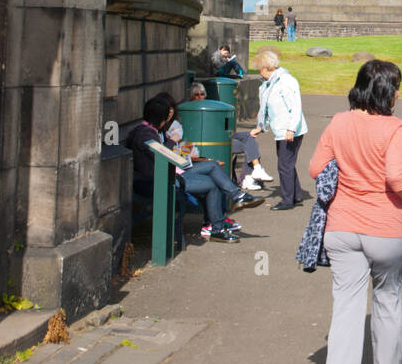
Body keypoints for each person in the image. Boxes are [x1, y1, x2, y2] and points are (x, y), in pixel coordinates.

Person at [308, 60, 402, 364]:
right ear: (385, 92)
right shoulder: (397, 128)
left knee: (346, 306)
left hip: (342, 229)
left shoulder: (338, 121)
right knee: (387, 300)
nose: (398, 94)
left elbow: (316, 168)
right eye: (396, 87)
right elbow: (396, 176)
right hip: (386, 229)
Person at [128, 93, 262, 244]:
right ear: (160, 118)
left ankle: (237, 195)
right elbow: (162, 156)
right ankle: (217, 228)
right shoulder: (145, 134)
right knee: (212, 184)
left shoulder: (152, 131)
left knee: (212, 165)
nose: (167, 120)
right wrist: (173, 140)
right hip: (161, 180)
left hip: (172, 172)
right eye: (166, 117)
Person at [188, 82, 273, 190]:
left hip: (223, 136)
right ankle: (249, 176)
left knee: (249, 136)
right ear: (192, 96)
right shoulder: (191, 110)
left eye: (202, 94)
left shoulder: (211, 107)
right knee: (248, 143)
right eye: (196, 94)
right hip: (215, 142)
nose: (200, 97)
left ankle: (256, 169)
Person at [251, 49, 308, 209]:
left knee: (284, 165)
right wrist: (260, 128)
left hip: (290, 130)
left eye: (260, 69)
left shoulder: (286, 81)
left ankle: (287, 200)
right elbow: (268, 109)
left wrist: (291, 129)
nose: (260, 73)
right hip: (280, 130)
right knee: (287, 163)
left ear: (267, 67)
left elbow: (295, 107)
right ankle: (295, 195)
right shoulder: (270, 84)